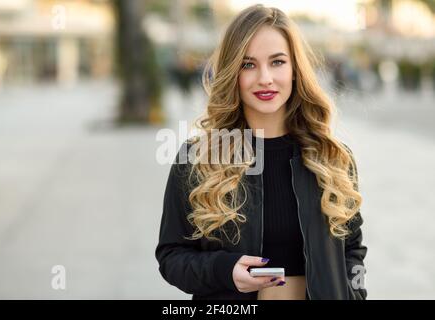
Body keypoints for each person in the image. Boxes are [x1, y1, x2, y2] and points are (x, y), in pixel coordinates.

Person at [155, 4, 367, 300]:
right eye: (248, 64)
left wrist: (353, 296)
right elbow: (171, 256)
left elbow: (352, 248)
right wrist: (224, 270)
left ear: (295, 70)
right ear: (232, 73)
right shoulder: (197, 158)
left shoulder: (332, 157)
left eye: (277, 62)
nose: (265, 78)